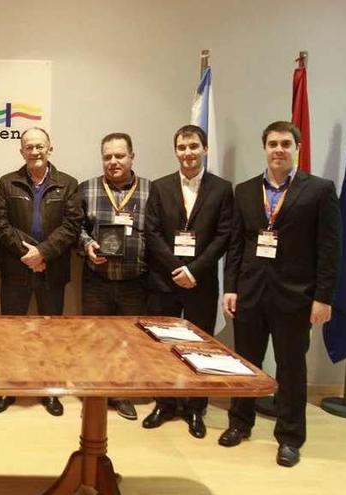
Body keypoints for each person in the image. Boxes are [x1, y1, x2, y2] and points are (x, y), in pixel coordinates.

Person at [221, 121, 341, 467]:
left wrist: (323, 297)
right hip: (250, 294)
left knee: (290, 369)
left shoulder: (319, 190)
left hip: (295, 297)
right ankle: (239, 424)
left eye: (286, 143)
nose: (278, 149)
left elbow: (329, 248)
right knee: (244, 366)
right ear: (264, 148)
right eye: (272, 143)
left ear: (297, 148)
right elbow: (236, 245)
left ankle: (289, 438)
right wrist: (230, 287)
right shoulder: (244, 191)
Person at [143, 125, 233, 438]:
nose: (188, 153)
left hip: (201, 282)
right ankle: (164, 403)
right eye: (182, 147)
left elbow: (224, 236)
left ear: (205, 149)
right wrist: (175, 269)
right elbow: (151, 233)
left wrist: (194, 270)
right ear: (176, 151)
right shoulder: (159, 186)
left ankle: (196, 408)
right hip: (164, 282)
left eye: (194, 146)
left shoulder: (222, 189)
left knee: (200, 348)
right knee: (162, 348)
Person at [0, 127, 82, 417]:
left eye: (39, 146)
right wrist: (27, 254)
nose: (35, 151)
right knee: (11, 332)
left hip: (51, 271)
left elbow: (72, 225)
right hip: (17, 271)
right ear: (22, 152)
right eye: (29, 147)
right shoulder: (8, 183)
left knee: (50, 333)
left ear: (50, 149)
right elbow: (0, 224)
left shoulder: (68, 184)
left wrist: (43, 253)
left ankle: (49, 390)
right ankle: (9, 388)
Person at [77, 132, 150, 421]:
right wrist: (87, 244)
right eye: (107, 156)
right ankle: (95, 395)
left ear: (132, 156)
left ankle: (121, 395)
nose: (113, 161)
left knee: (128, 341)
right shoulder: (86, 189)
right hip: (97, 279)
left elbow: (157, 232)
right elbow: (76, 228)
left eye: (120, 155)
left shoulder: (150, 190)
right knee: (95, 339)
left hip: (136, 280)